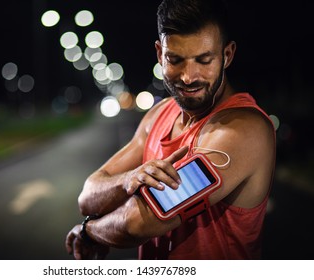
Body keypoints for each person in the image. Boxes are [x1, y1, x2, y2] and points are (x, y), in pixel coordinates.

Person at [65, 0, 276, 260]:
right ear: (159, 54)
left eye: (204, 60)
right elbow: (87, 197)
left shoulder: (242, 130)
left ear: (227, 55)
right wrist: (129, 179)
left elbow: (138, 223)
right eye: (175, 60)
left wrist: (88, 231)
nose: (189, 76)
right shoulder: (159, 114)